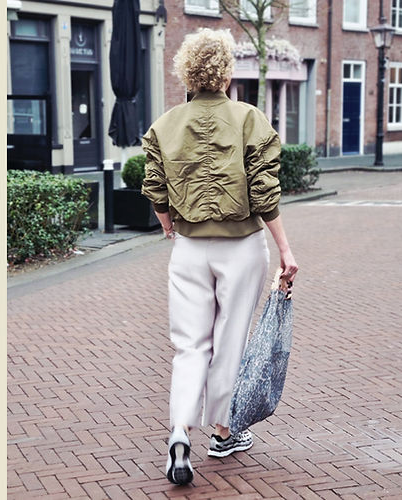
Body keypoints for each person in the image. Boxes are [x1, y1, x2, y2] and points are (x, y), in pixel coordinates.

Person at [140, 27, 299, 486]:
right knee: (229, 339)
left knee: (189, 345)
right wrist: (285, 248)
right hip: (242, 246)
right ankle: (223, 434)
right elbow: (264, 191)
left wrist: (169, 227)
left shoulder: (165, 125)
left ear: (187, 73)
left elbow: (155, 188)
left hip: (189, 247)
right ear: (226, 73)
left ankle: (179, 431)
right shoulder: (249, 119)